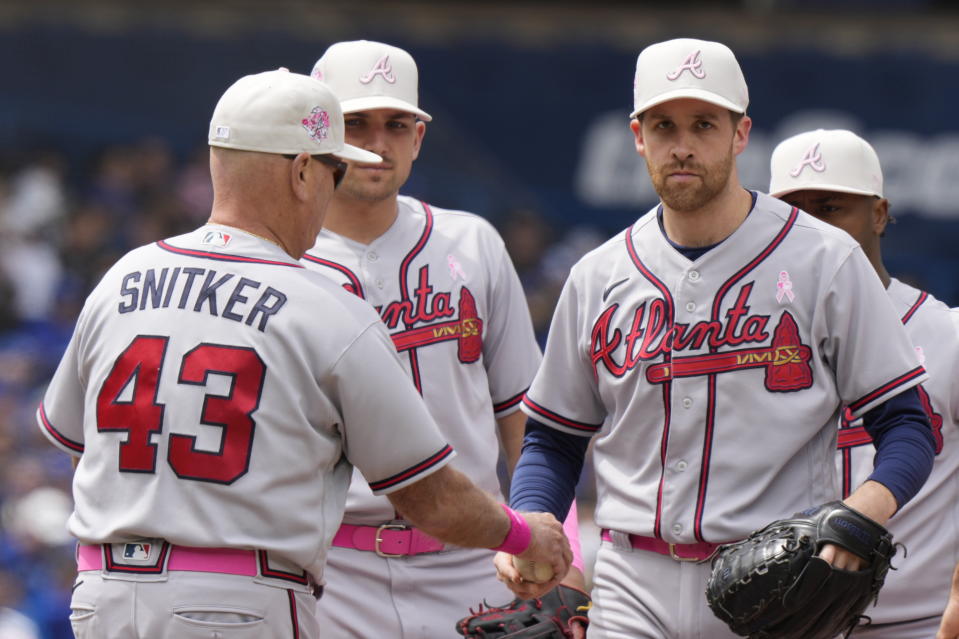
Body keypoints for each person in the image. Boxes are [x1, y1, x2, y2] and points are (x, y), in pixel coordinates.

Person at [34, 68, 571, 639]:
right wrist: (525, 535)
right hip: (236, 599)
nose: (334, 183)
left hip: (102, 596)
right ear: (300, 172)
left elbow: (76, 447)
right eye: (332, 167)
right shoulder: (321, 304)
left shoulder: (125, 276)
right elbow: (429, 495)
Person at [498, 38, 937, 639]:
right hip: (630, 581)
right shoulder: (596, 275)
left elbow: (906, 424)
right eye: (664, 125)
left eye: (704, 124)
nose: (682, 145)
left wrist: (862, 514)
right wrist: (532, 522)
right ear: (638, 136)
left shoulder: (825, 260)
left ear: (740, 133)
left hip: (777, 583)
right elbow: (552, 439)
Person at [302, 40, 585, 638]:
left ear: (418, 138)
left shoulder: (472, 243)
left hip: (476, 561)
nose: (378, 144)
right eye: (357, 124)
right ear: (322, 134)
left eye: (396, 124)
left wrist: (564, 551)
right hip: (332, 568)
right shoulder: (283, 264)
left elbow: (530, 423)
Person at [769, 129, 959, 638]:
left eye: (830, 207)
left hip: (922, 624)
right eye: (793, 212)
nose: (810, 228)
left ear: (878, 214)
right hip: (785, 623)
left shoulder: (948, 335)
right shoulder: (748, 345)